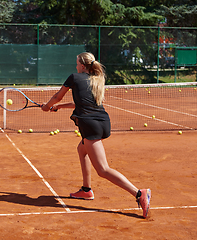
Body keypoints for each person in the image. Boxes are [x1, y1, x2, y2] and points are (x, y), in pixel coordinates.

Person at [41, 52, 151, 218]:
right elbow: (79, 103)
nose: (76, 66)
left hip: (90, 126)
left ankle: (139, 193)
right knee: (82, 149)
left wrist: (47, 106)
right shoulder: (96, 80)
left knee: (103, 169)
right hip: (103, 123)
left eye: (77, 63)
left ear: (82, 66)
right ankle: (86, 190)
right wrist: (58, 107)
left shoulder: (74, 77)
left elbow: (57, 96)